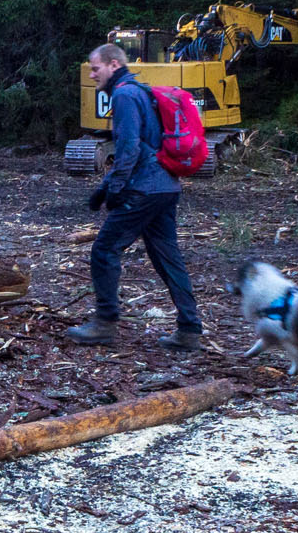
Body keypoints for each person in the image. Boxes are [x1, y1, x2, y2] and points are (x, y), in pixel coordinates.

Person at [65, 43, 205, 351]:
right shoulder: (140, 90)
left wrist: (113, 190)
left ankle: (104, 324)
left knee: (104, 249)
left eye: (95, 68)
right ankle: (189, 330)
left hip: (145, 189)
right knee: (167, 256)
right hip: (166, 186)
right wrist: (107, 186)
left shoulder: (125, 95)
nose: (91, 74)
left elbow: (128, 148)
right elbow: (145, 143)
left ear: (114, 65)